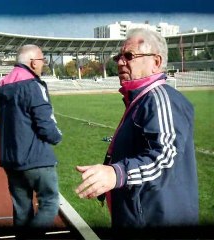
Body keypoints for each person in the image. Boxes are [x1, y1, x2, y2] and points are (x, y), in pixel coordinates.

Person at [75, 28, 199, 230]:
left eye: (129, 56)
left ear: (156, 62)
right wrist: (107, 176)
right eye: (119, 57)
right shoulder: (141, 100)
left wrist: (117, 174)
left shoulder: (159, 98)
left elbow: (164, 158)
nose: (121, 62)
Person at [0, 44, 62, 233]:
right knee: (50, 203)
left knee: (22, 210)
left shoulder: (3, 85)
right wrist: (56, 137)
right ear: (33, 62)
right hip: (36, 158)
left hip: (10, 159)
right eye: (42, 61)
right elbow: (44, 121)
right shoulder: (33, 84)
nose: (43, 64)